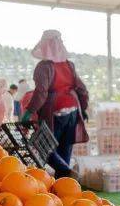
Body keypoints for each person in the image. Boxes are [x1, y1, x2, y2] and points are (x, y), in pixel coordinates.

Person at [24, 30, 90, 177]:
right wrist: (83, 108)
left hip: (54, 113)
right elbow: (82, 89)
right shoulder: (69, 65)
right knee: (65, 148)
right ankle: (66, 182)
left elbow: (41, 92)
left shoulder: (44, 67)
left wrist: (29, 111)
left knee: (43, 146)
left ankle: (65, 171)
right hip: (73, 110)